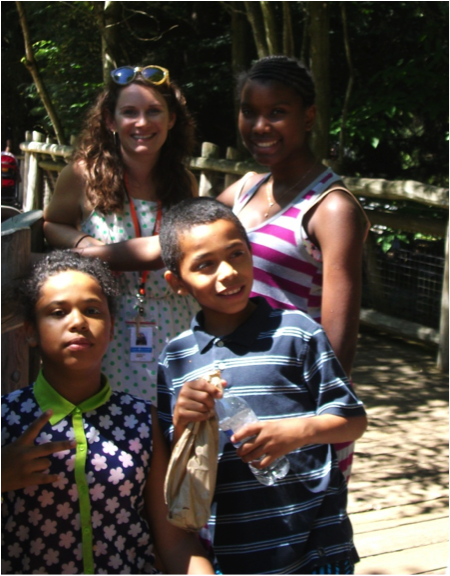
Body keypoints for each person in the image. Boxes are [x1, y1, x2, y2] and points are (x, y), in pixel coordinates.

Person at [157, 198, 368, 576]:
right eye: (205, 265)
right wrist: (181, 421)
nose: (228, 273)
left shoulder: (297, 332)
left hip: (316, 546)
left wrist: (298, 431)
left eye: (237, 254)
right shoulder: (175, 359)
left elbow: (352, 420)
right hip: (229, 551)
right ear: (176, 282)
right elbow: (168, 457)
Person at [0, 250, 214, 576]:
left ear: (112, 328)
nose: (78, 322)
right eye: (57, 312)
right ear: (29, 331)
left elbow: (174, 543)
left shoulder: (143, 422)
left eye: (92, 311)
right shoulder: (6, 418)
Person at [217, 55, 370, 480]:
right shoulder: (246, 190)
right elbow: (176, 242)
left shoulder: (332, 208)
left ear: (308, 117)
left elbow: (339, 346)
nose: (260, 126)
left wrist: (306, 426)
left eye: (277, 112)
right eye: (250, 112)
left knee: (301, 537)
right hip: (240, 395)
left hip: (297, 409)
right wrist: (86, 246)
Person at [43, 65, 199, 404]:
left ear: (171, 119)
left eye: (154, 111)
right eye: (129, 112)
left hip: (174, 323)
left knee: (167, 428)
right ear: (110, 121)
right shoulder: (82, 175)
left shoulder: (184, 181)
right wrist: (84, 245)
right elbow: (52, 223)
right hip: (106, 326)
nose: (142, 123)